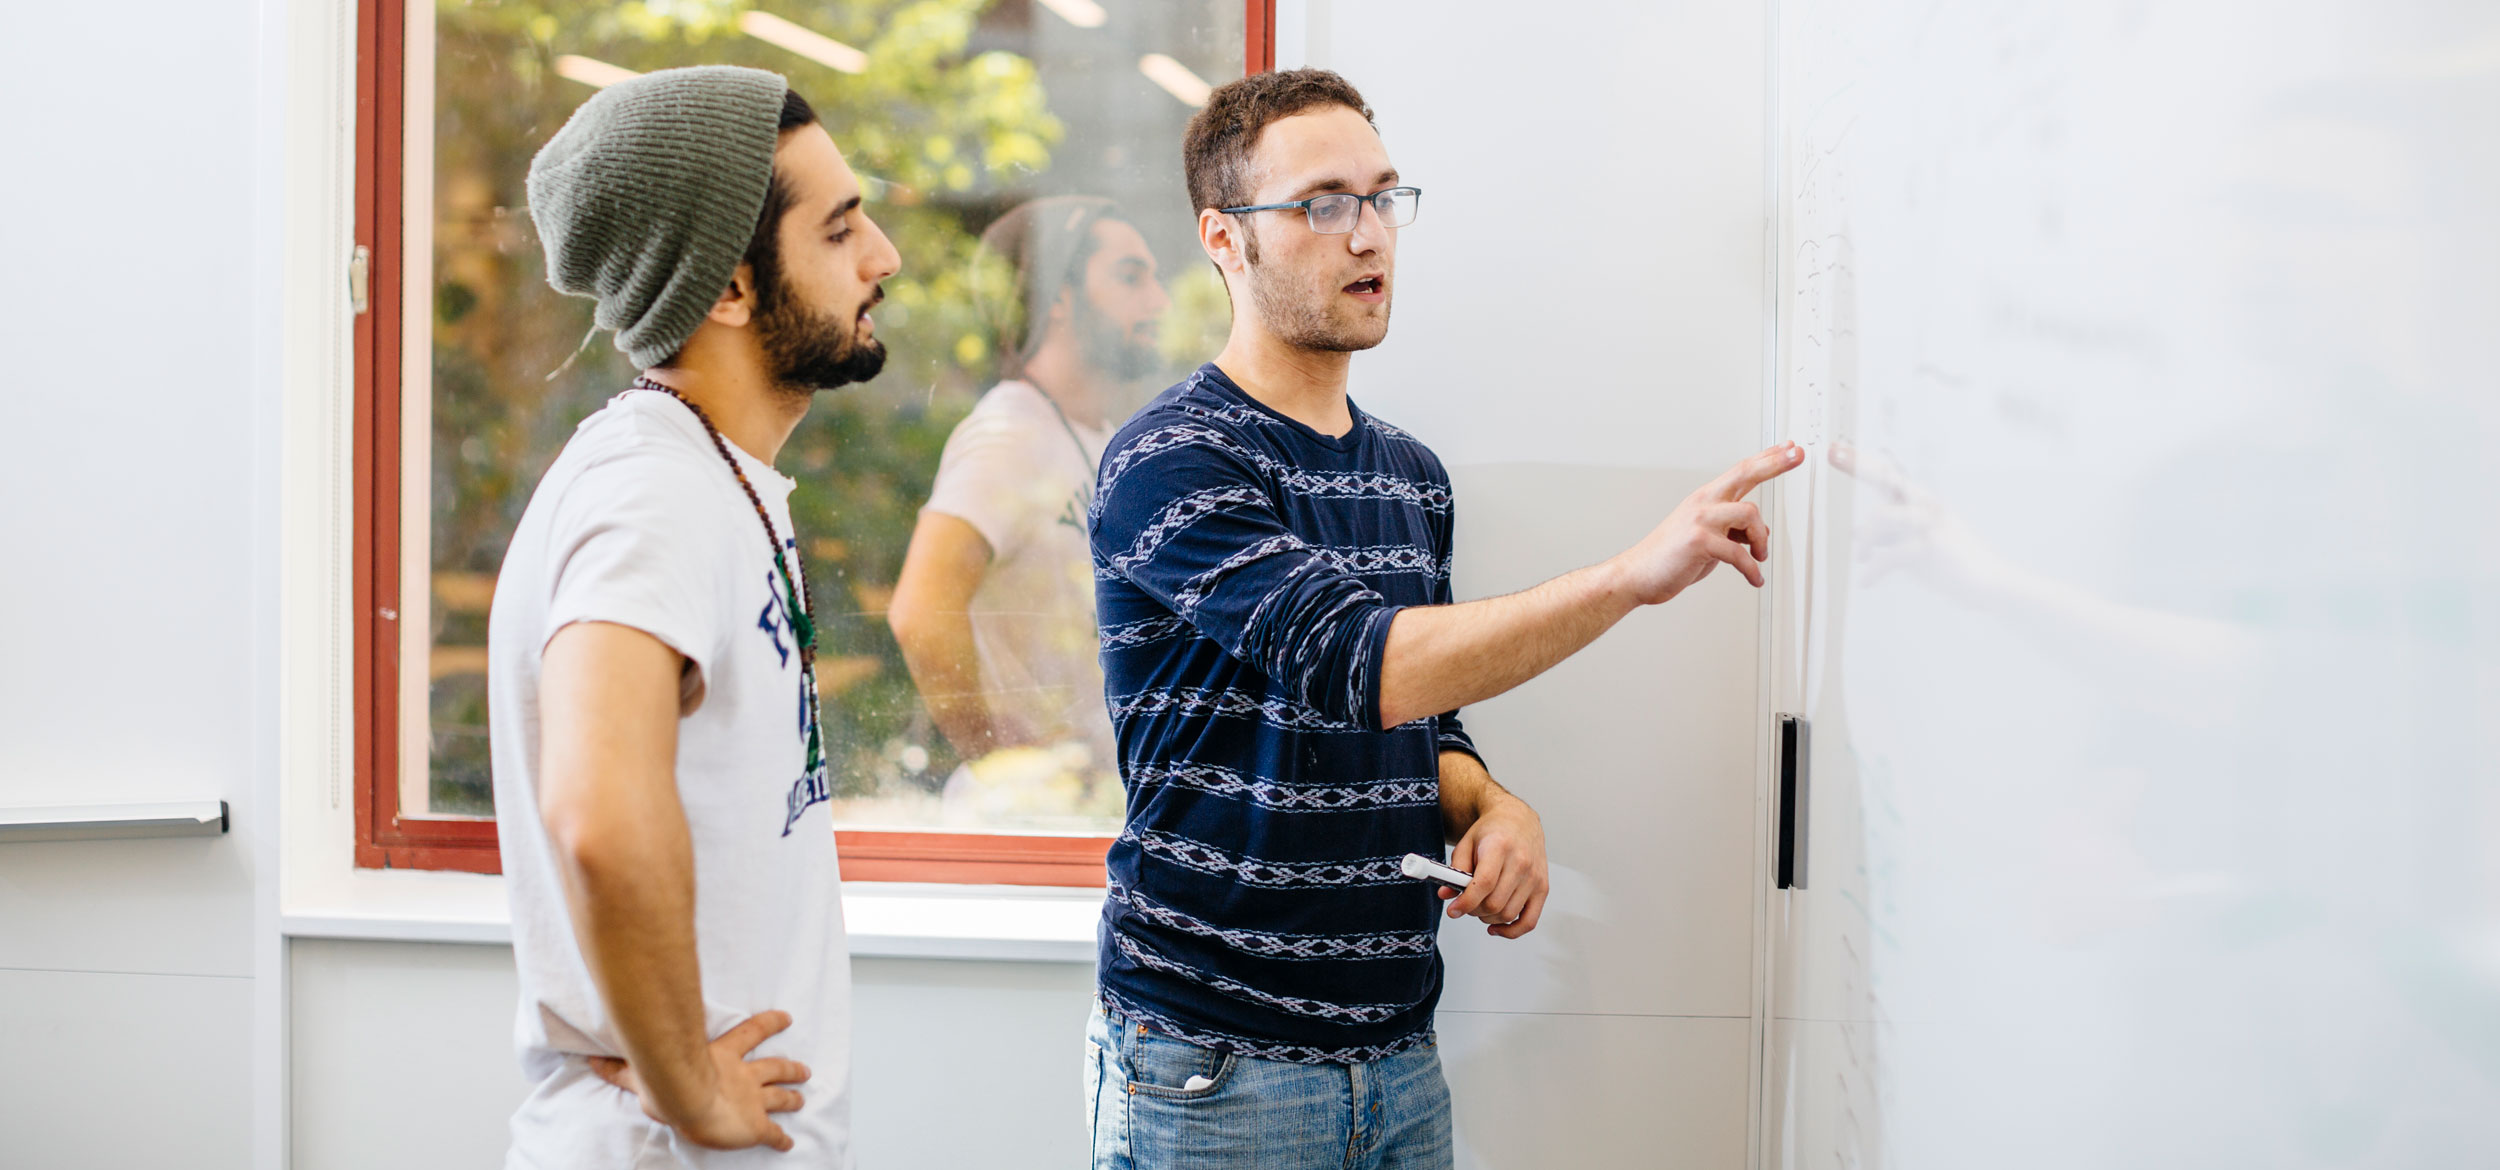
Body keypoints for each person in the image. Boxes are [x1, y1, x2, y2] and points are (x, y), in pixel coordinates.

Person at [1082, 68, 1801, 1169]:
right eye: (1322, 203)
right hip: (1216, 1071)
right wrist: (1631, 575)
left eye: (1383, 197)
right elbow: (1361, 668)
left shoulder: (1410, 477)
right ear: (1226, 240)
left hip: (1400, 1061)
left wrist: (1494, 806)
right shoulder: (1171, 459)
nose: (1367, 235)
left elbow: (1427, 724)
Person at [487, 66, 900, 1168]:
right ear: (728, 287)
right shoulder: (651, 494)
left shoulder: (708, 481)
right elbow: (598, 810)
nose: (883, 260)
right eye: (840, 230)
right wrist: (689, 1088)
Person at [888, 197, 1169, 825]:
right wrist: (999, 762)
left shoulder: (1101, 437)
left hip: (1097, 816)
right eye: (1130, 277)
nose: (1159, 302)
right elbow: (920, 610)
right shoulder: (1010, 430)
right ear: (1058, 295)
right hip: (1029, 827)